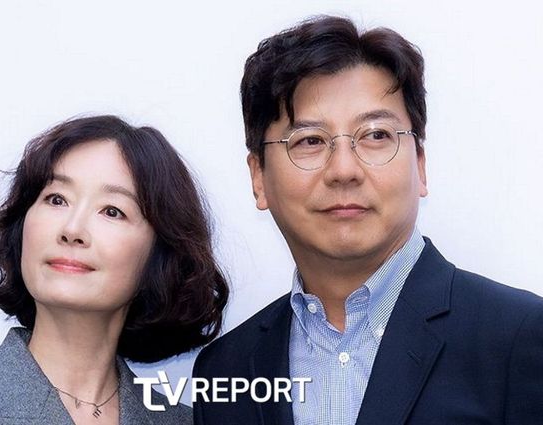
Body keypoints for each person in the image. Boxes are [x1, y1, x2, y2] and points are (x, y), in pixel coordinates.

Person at [193, 15, 543, 425]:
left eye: (376, 135)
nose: (344, 170)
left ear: (420, 165)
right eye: (309, 141)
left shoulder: (518, 337)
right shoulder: (225, 369)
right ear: (258, 177)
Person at [0, 115, 229, 424]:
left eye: (112, 211)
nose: (72, 229)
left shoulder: (191, 421)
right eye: (56, 199)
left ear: (161, 253)